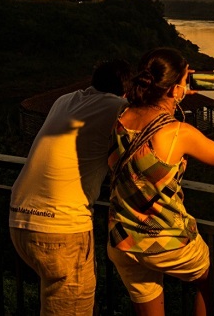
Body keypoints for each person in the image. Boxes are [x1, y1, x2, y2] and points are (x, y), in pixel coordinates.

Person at [107, 47, 214, 316]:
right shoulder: (176, 132)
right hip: (165, 242)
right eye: (183, 80)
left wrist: (175, 91)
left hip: (123, 238)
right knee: (212, 275)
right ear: (172, 89)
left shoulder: (122, 117)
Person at [9, 58, 132, 316]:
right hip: (61, 229)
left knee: (56, 303)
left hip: (20, 220)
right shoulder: (119, 108)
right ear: (125, 88)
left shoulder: (64, 100)